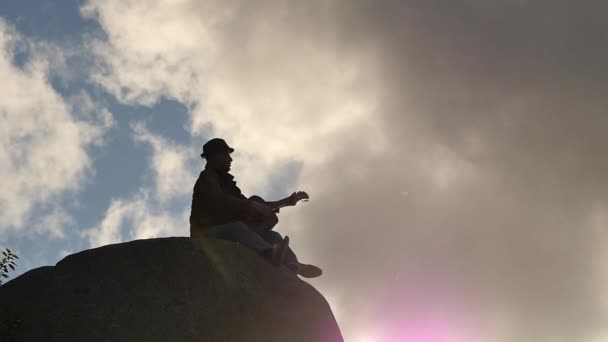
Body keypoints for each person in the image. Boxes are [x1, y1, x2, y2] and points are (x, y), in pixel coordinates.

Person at [189, 138, 322, 278]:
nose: (230, 159)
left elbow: (252, 206)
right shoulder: (207, 177)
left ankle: (293, 265)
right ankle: (269, 254)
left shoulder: (228, 184)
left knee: (273, 236)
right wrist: (252, 205)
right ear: (215, 156)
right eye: (226, 155)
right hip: (206, 233)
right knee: (238, 228)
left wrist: (287, 201)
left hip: (226, 230)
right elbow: (219, 200)